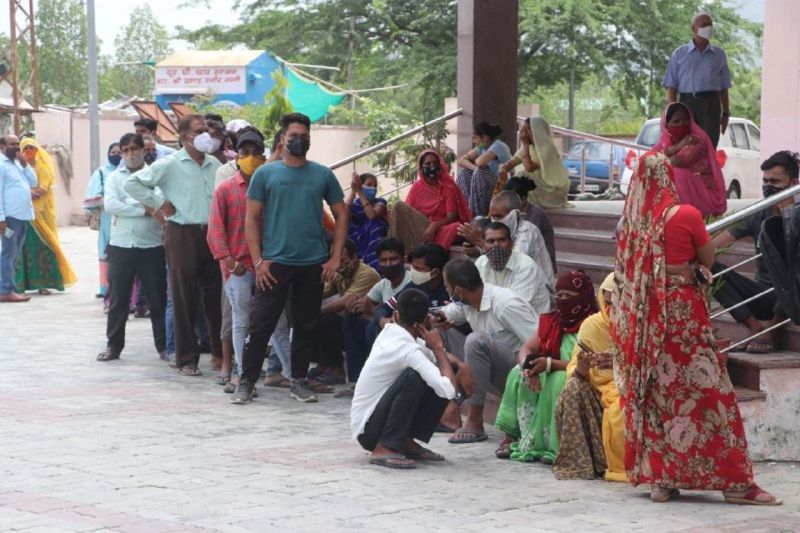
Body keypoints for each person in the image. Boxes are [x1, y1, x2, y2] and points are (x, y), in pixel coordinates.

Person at [612, 151, 780, 504]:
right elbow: (706, 259)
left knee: (658, 396)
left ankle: (662, 479)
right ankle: (735, 484)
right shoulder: (684, 214)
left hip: (646, 324)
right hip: (682, 318)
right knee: (710, 398)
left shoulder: (631, 224)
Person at [232, 112, 348, 404]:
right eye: (293, 136)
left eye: (304, 136)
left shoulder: (322, 174)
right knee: (260, 324)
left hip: (313, 265)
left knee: (306, 325)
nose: (299, 140)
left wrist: (335, 258)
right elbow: (252, 218)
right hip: (274, 264)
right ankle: (246, 381)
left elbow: (342, 213)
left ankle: (299, 380)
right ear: (282, 139)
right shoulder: (265, 174)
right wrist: (258, 261)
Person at [125, 114, 223, 377]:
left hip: (212, 233)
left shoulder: (214, 164)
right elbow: (132, 183)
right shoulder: (169, 164)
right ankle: (186, 358)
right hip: (182, 233)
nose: (206, 135)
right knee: (184, 296)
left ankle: (220, 354)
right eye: (199, 131)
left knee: (216, 296)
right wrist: (158, 204)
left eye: (207, 131)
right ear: (184, 136)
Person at [351, 289, 462, 469]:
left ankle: (404, 440)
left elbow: (431, 358)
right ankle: (385, 446)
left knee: (445, 368)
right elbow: (448, 390)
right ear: (425, 319)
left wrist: (461, 366)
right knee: (415, 376)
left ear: (395, 314)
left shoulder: (391, 332)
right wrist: (438, 347)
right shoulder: (406, 349)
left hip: (370, 423)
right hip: (369, 430)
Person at [493, 270, 596, 463]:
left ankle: (553, 445)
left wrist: (550, 364)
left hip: (579, 375)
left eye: (569, 296)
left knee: (558, 379)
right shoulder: (552, 321)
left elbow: (586, 364)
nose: (563, 300)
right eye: (560, 295)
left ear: (583, 297)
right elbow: (527, 347)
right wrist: (527, 366)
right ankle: (514, 436)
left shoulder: (592, 325)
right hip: (546, 368)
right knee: (517, 373)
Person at [435, 258, 539, 445]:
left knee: (476, 341)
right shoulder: (468, 300)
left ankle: (475, 420)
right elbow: (451, 312)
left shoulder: (506, 303)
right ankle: (450, 410)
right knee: (437, 335)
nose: (447, 292)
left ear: (458, 290)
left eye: (447, 287)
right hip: (487, 369)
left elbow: (539, 340)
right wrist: (440, 317)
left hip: (518, 373)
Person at [711, 151, 799, 353]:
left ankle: (771, 332)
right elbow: (718, 242)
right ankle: (754, 327)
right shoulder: (760, 212)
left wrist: (788, 216)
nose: (768, 187)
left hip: (793, 296)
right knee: (706, 264)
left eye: (775, 182)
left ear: (793, 184)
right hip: (764, 294)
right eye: (765, 181)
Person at [96, 133, 167, 362]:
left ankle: (164, 347)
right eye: (124, 150)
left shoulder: (154, 175)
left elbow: (159, 201)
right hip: (121, 245)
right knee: (118, 299)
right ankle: (113, 346)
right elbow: (111, 205)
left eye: (133, 149)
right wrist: (144, 209)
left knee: (157, 299)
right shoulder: (114, 178)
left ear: (143, 150)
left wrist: (136, 204)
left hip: (152, 245)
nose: (129, 154)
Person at [551, 273, 627, 482]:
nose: (612, 309)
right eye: (607, 302)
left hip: (631, 387)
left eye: (618, 303)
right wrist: (582, 369)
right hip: (598, 391)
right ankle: (580, 464)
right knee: (573, 388)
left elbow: (652, 366)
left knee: (622, 410)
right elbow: (574, 369)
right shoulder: (592, 326)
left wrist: (619, 362)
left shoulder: (642, 327)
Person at [207, 129, 267, 385]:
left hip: (265, 267)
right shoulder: (225, 189)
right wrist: (230, 262)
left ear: (263, 158)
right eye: (245, 153)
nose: (250, 158)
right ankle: (235, 370)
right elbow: (215, 231)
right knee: (233, 319)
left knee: (268, 321)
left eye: (255, 154)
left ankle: (263, 369)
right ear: (237, 156)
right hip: (236, 269)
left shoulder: (269, 188)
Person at [340, 238, 412, 395]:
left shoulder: (411, 280)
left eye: (393, 259)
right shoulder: (384, 283)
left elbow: (402, 317)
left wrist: (372, 311)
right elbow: (364, 303)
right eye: (383, 260)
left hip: (405, 333)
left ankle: (381, 382)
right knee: (351, 321)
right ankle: (358, 381)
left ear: (403, 259)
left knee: (373, 326)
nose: (388, 264)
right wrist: (357, 304)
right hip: (384, 328)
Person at [14, 138, 77, 294]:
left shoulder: (43, 168)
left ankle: (43, 284)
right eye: (25, 148)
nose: (28, 151)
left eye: (31, 147)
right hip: (23, 215)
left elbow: (42, 191)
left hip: (40, 216)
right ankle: (20, 285)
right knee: (21, 250)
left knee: (42, 248)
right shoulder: (17, 168)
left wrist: (23, 192)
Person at [314, 238, 380, 385]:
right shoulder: (339, 272)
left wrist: (317, 311)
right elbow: (322, 292)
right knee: (319, 319)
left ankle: (338, 370)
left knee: (328, 319)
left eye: (342, 260)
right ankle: (325, 364)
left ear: (354, 258)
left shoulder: (366, 274)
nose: (339, 265)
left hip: (369, 323)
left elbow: (345, 301)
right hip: (353, 320)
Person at [663, 13, 731, 148]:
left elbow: (724, 87)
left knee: (708, 146)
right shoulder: (679, 54)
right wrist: (674, 112)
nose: (708, 28)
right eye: (704, 25)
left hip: (711, 105)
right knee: (686, 146)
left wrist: (725, 112)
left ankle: (707, 169)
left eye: (710, 24)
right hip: (687, 105)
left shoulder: (719, 55)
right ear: (694, 29)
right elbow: (671, 86)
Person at [459, 191, 554, 284]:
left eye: (499, 216)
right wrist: (475, 252)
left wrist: (481, 243)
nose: (495, 220)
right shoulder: (495, 231)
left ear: (515, 214)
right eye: (493, 216)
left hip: (537, 287)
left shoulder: (528, 231)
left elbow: (512, 263)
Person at [653, 102, 726, 217]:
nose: (682, 123)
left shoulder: (696, 141)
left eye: (686, 120)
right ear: (666, 126)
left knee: (676, 173)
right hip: (692, 192)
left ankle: (680, 216)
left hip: (707, 196)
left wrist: (671, 151)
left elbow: (669, 163)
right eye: (677, 121)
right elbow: (650, 160)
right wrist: (678, 146)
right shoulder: (666, 141)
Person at [390, 149, 471, 252]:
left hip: (441, 227)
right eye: (428, 164)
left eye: (435, 163)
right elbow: (409, 212)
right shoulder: (417, 187)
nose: (432, 166)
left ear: (440, 165)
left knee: (456, 227)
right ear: (421, 168)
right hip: (421, 226)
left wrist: (435, 225)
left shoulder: (448, 186)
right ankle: (395, 251)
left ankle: (434, 252)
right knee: (398, 206)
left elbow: (451, 217)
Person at [475, 222, 552, 315]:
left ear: (512, 243)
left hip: (529, 322)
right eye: (490, 241)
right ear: (483, 244)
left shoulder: (525, 266)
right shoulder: (481, 262)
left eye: (502, 240)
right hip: (496, 318)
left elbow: (514, 307)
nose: (496, 245)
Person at [498, 117, 570, 209]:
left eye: (528, 129)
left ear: (538, 131)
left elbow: (529, 167)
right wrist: (503, 169)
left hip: (550, 189)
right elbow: (511, 163)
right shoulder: (528, 148)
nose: (524, 133)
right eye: (523, 129)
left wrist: (524, 145)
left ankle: (513, 206)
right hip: (535, 185)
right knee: (516, 179)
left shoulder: (547, 148)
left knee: (523, 174)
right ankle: (507, 206)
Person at [0, 135, 37, 303]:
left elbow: (33, 181)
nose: (16, 147)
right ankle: (6, 290)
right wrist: (1, 219)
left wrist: (25, 164)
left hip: (23, 217)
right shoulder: (1, 165)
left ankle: (8, 287)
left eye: (17, 144)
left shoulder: (17, 164)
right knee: (8, 253)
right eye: (12, 144)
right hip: (10, 218)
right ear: (3, 146)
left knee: (14, 254)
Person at [85, 143, 122, 300]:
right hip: (107, 217)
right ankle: (105, 287)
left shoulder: (127, 172)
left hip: (125, 217)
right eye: (113, 152)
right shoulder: (101, 172)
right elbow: (90, 196)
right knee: (105, 251)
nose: (116, 154)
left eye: (119, 152)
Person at [456, 122, 513, 216]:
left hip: (502, 185)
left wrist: (476, 167)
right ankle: (467, 211)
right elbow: (461, 160)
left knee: (479, 172)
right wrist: (474, 168)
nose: (473, 141)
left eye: (475, 138)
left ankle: (478, 215)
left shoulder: (498, 146)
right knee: (464, 173)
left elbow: (480, 162)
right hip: (488, 184)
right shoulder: (483, 146)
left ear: (485, 138)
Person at [503, 177, 556, 269]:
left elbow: (524, 247)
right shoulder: (513, 214)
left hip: (540, 267)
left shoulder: (536, 215)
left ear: (523, 199)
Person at [346, 172, 388, 268]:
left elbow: (372, 215)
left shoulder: (380, 202)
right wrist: (353, 191)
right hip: (358, 239)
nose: (373, 188)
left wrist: (360, 193)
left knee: (374, 224)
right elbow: (343, 215)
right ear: (361, 186)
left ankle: (375, 264)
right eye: (369, 185)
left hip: (375, 235)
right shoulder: (355, 204)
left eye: (375, 185)